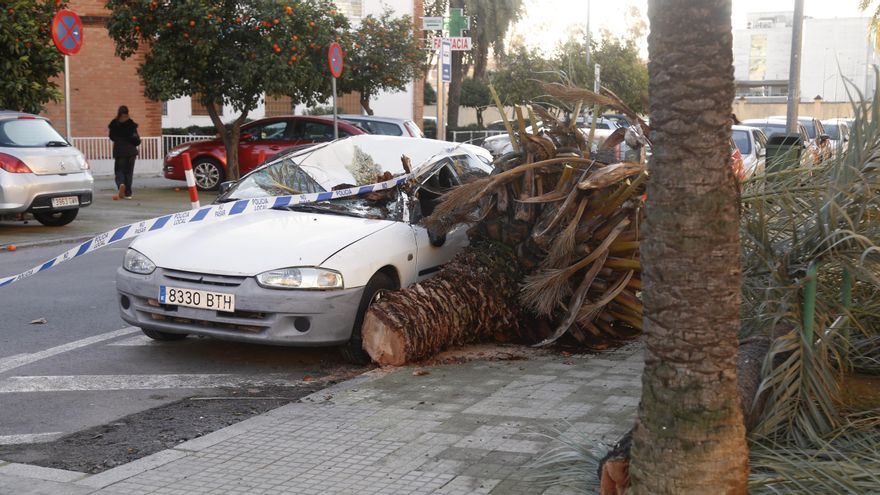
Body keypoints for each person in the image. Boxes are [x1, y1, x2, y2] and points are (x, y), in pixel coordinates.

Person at [108, 105, 140, 200]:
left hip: (119, 151)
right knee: (129, 173)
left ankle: (121, 184)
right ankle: (128, 193)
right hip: (131, 152)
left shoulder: (114, 123)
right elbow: (137, 140)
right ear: (127, 112)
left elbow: (112, 137)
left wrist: (119, 139)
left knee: (119, 170)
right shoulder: (131, 124)